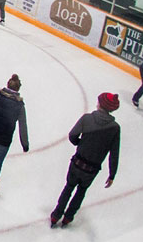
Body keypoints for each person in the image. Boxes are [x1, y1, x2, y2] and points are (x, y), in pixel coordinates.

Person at [51, 93, 120, 228]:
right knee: (81, 191)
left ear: (101, 104)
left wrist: (80, 143)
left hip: (78, 162)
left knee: (68, 187)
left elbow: (72, 135)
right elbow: (114, 153)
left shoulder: (87, 118)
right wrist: (112, 174)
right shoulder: (115, 128)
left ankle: (56, 215)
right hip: (92, 169)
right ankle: (68, 217)